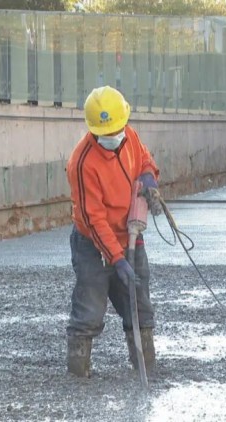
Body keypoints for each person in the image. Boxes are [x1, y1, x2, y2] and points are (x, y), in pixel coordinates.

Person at [65, 86, 163, 378]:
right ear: (94, 131)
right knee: (89, 311)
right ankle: (77, 376)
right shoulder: (82, 164)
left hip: (132, 235)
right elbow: (93, 220)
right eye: (107, 134)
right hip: (93, 246)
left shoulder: (128, 134)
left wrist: (148, 175)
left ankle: (145, 366)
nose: (115, 137)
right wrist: (117, 259)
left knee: (139, 306)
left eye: (118, 129)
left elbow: (144, 159)